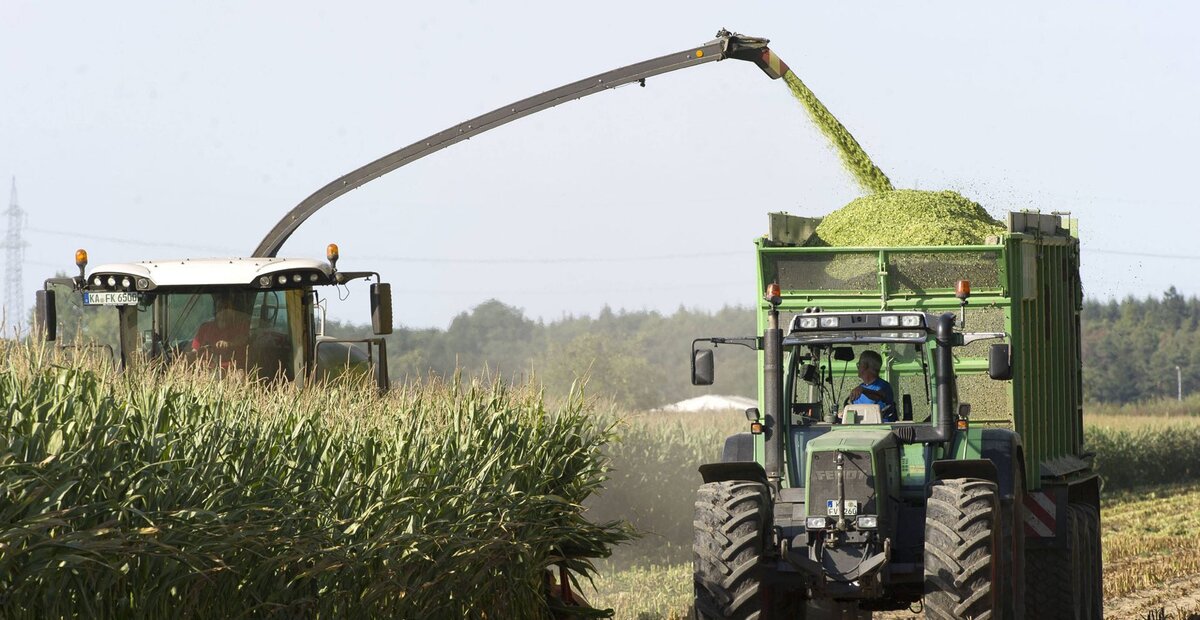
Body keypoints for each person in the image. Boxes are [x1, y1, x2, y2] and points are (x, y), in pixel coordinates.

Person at [192, 293, 250, 369]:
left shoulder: (239, 328)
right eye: (220, 308)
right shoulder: (205, 328)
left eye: (226, 308)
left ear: (233, 311)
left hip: (232, 370)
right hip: (206, 371)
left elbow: (243, 340)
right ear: (215, 310)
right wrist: (189, 355)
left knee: (240, 375)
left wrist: (229, 344)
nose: (223, 311)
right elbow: (195, 350)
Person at [849, 350, 896, 422]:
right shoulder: (859, 388)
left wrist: (863, 390)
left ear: (864, 366)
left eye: (859, 364)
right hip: (859, 429)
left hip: (881, 428)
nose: (858, 368)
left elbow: (878, 396)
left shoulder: (884, 386)